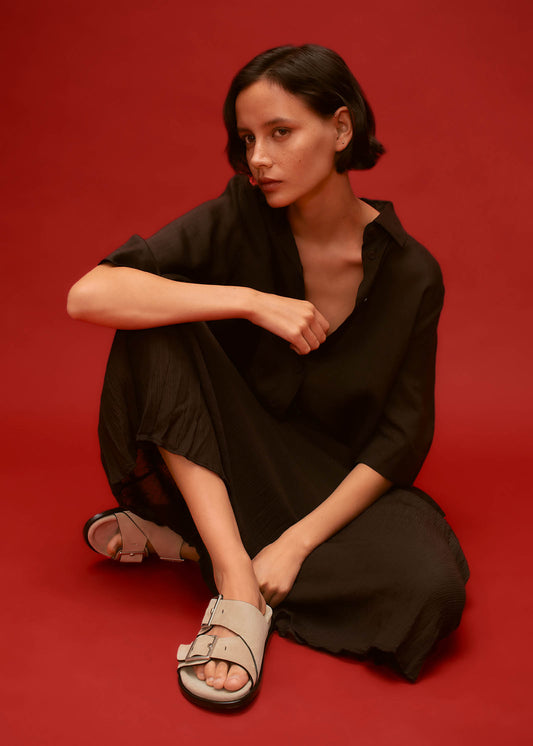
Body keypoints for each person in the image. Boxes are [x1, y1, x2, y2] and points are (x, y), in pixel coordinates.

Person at [67, 44, 469, 710]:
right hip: (221, 456)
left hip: (327, 486)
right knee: (157, 316)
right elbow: (89, 295)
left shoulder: (411, 272)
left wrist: (296, 543)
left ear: (340, 129)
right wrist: (250, 301)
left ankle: (191, 549)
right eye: (247, 138)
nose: (257, 157)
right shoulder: (239, 215)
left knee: (430, 589)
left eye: (280, 132)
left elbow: (403, 435)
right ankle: (235, 585)